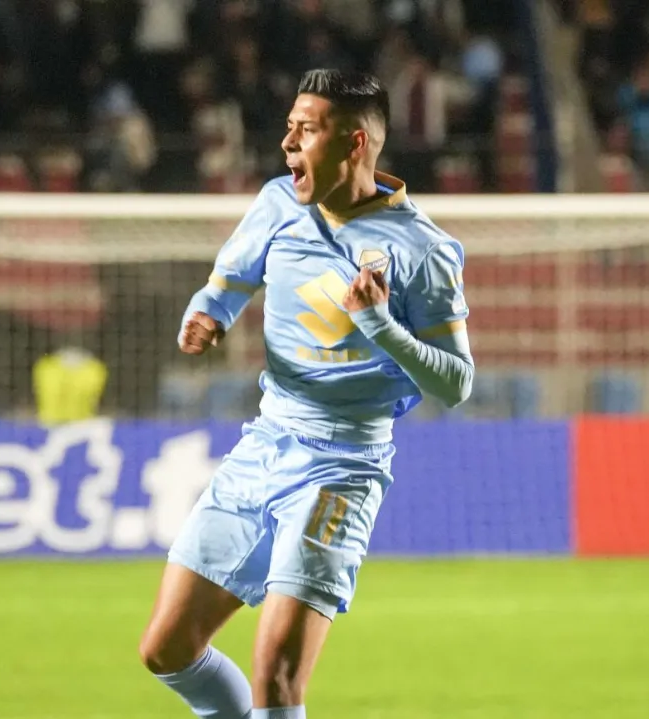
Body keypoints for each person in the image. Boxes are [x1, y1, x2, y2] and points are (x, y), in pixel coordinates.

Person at [139, 69, 475, 719]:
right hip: (265, 443)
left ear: (353, 143)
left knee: (279, 674)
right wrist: (210, 311)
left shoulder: (423, 250)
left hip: (343, 467)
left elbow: (456, 382)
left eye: (306, 129)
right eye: (289, 125)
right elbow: (232, 275)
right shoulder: (276, 204)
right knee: (167, 648)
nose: (287, 141)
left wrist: (380, 326)